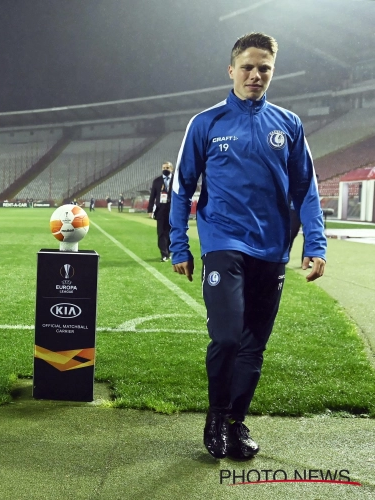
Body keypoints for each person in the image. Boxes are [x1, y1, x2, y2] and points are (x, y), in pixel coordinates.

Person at [169, 32, 326, 460]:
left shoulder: (289, 125)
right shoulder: (207, 123)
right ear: (231, 70)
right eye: (248, 67)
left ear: (272, 72)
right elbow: (182, 187)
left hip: (272, 247)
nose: (255, 75)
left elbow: (306, 190)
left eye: (264, 68)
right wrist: (178, 245)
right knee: (226, 336)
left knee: (254, 343)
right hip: (223, 240)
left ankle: (236, 423)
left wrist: (316, 243)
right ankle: (216, 417)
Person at [148, 162, 174, 261]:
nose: (165, 169)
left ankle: (169, 251)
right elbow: (152, 197)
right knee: (161, 232)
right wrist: (150, 209)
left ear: (171, 168)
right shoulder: (157, 181)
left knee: (171, 232)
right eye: (163, 168)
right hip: (161, 210)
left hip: (173, 209)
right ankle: (164, 254)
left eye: (167, 167)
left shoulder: (177, 180)